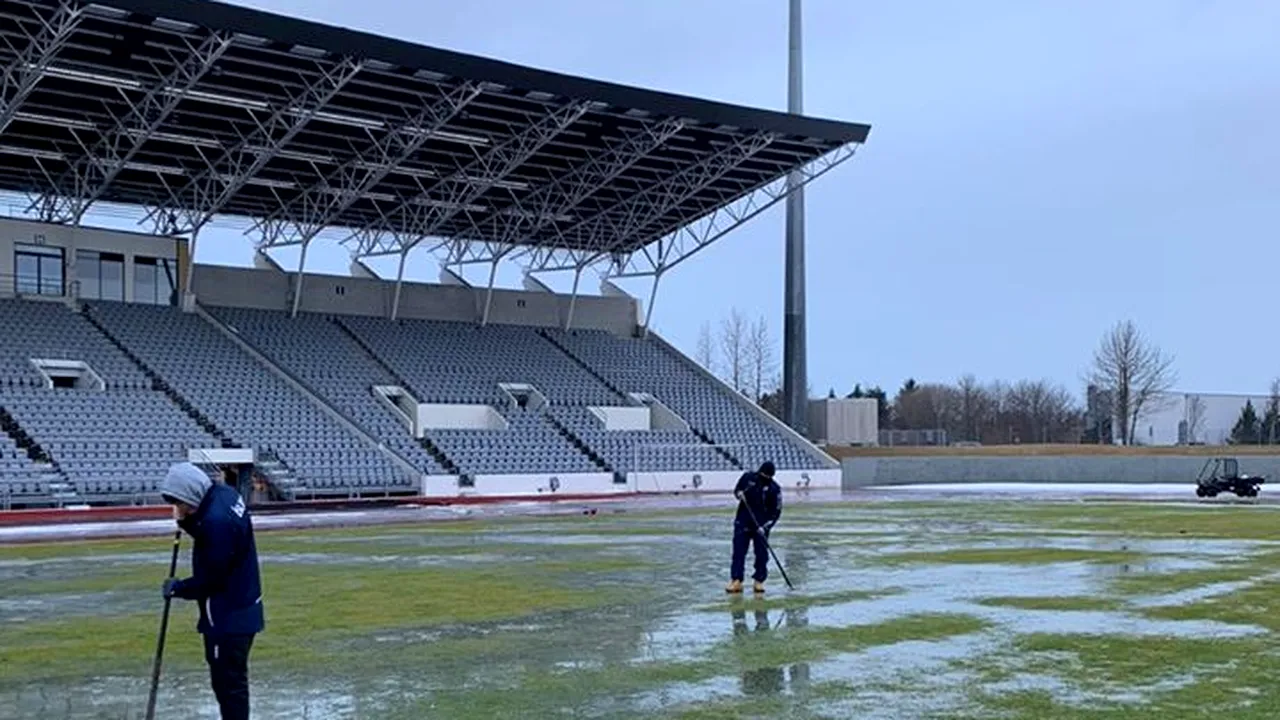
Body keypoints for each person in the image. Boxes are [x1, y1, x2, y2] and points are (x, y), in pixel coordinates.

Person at [160, 462, 265, 720]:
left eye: (179, 502)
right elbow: (211, 537)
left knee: (228, 686)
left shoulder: (217, 521)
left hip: (228, 618)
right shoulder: (225, 495)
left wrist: (179, 588)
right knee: (232, 684)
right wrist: (186, 524)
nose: (179, 509)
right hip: (243, 606)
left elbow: (212, 579)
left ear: (189, 494)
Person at [725, 461, 782, 594]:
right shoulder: (748, 478)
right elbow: (737, 489)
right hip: (743, 522)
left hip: (761, 526)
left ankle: (759, 580)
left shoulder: (774, 489)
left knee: (761, 554)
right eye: (763, 474)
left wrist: (767, 526)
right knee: (738, 552)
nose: (765, 477)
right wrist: (739, 494)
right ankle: (736, 580)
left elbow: (776, 511)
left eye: (768, 476)